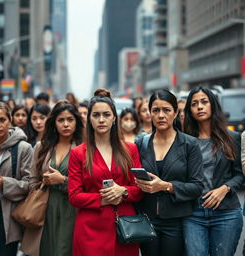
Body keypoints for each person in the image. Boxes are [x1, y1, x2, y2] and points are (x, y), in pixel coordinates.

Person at [68, 89, 143, 256]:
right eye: (96, 115)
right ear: (89, 119)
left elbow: (139, 190)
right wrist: (103, 198)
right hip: (90, 229)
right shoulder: (78, 153)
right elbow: (74, 196)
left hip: (125, 228)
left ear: (114, 118)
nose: (101, 119)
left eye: (106, 115)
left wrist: (123, 191)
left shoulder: (130, 149)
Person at [135, 89, 204, 256]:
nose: (161, 115)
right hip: (146, 219)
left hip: (177, 221)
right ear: (150, 113)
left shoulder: (189, 144)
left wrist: (166, 186)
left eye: (166, 110)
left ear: (175, 113)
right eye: (156, 110)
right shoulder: (141, 143)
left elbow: (197, 187)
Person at [183, 86, 244, 256]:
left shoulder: (232, 138)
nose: (200, 107)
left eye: (204, 102)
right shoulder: (185, 141)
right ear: (190, 110)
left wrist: (225, 189)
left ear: (213, 105)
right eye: (194, 104)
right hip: (193, 213)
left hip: (226, 213)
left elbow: (239, 175)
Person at [21, 100, 84, 256]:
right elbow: (32, 179)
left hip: (73, 209)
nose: (66, 124)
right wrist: (41, 187)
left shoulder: (84, 148)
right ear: (54, 122)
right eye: (61, 120)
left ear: (77, 122)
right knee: (46, 249)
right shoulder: (42, 147)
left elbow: (89, 184)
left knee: (66, 249)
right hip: (46, 208)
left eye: (70, 119)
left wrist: (63, 180)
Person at [0, 101, 33, 256]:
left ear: (10, 120)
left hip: (10, 214)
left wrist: (4, 184)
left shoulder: (23, 148)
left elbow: (30, 184)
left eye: (2, 120)